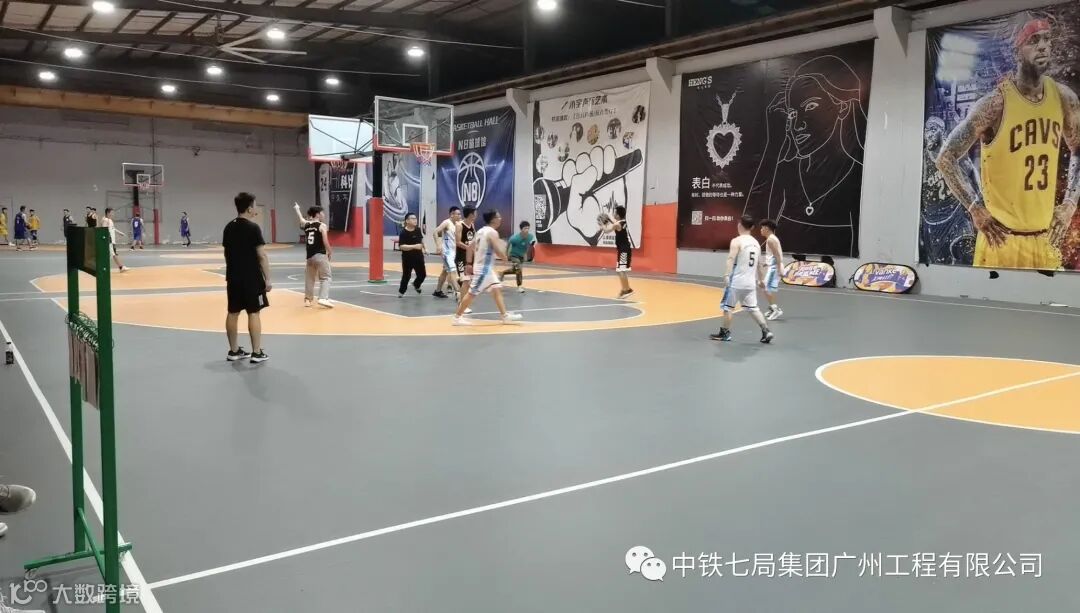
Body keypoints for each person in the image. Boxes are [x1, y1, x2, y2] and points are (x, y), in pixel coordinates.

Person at [936, 17, 1080, 270]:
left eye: (1047, 39)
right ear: (1017, 50)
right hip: (1002, 240)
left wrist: (1070, 203)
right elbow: (946, 157)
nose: (1043, 46)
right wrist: (975, 207)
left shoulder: (1064, 98)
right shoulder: (995, 104)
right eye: (1034, 40)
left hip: (1044, 239)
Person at [743, 55, 868, 257]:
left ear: (842, 107)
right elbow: (755, 226)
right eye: (792, 114)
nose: (797, 125)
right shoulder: (786, 170)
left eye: (810, 107)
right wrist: (773, 144)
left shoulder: (855, 175)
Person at [223, 193, 270, 363]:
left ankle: (234, 351)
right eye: (255, 206)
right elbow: (261, 255)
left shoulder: (228, 227)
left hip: (233, 277)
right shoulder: (253, 228)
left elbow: (226, 253)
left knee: (233, 312)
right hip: (251, 278)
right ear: (249, 209)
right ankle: (256, 352)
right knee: (254, 312)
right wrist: (268, 279)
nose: (256, 208)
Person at [712, 215, 774, 344]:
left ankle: (725, 333)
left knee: (728, 307)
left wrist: (726, 275)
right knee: (753, 308)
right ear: (752, 227)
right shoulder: (756, 243)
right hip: (750, 283)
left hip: (736, 282)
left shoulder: (737, 241)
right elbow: (759, 264)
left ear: (740, 225)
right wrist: (761, 280)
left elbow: (730, 258)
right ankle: (766, 330)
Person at [453, 210, 522, 326]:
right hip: (483, 269)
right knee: (472, 293)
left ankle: (505, 316)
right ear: (493, 219)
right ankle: (457, 317)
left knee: (496, 289)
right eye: (498, 217)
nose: (500, 219)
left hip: (485, 268)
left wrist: (469, 264)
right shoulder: (492, 233)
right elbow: (497, 250)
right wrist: (504, 257)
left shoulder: (480, 231)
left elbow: (469, 247)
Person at [294, 202, 333, 308]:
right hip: (320, 255)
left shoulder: (307, 225)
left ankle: (308, 300)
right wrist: (330, 251)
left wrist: (297, 209)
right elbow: (325, 241)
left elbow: (301, 219)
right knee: (326, 277)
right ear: (317, 214)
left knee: (309, 279)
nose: (324, 215)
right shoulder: (322, 225)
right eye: (322, 213)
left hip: (309, 257)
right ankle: (323, 298)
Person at [599, 206, 634, 298]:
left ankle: (627, 290)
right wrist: (608, 219)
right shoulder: (622, 222)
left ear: (618, 215)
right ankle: (625, 289)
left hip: (624, 250)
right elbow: (614, 222)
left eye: (615, 213)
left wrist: (602, 224)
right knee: (621, 270)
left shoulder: (618, 224)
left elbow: (607, 230)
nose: (614, 214)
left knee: (621, 270)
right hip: (624, 249)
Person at [432, 206, 463, 299]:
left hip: (455, 252)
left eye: (460, 214)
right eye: (458, 214)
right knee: (453, 271)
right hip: (447, 252)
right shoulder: (447, 222)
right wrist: (438, 245)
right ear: (452, 214)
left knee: (445, 271)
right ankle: (458, 293)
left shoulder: (459, 224)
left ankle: (438, 291)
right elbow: (435, 232)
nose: (460, 216)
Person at [759, 219, 785, 320]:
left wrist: (779, 269)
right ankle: (772, 308)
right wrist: (767, 262)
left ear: (767, 228)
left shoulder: (770, 239)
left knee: (766, 288)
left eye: (762, 228)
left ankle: (775, 310)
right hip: (773, 266)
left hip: (775, 268)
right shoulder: (771, 238)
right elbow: (774, 254)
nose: (761, 230)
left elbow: (777, 255)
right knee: (765, 288)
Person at [398, 213, 427, 298]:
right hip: (407, 258)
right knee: (406, 276)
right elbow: (402, 247)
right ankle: (401, 292)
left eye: (415, 218)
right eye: (413, 218)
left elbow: (421, 239)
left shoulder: (417, 229)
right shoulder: (403, 233)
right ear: (407, 221)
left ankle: (416, 284)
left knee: (422, 275)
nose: (415, 220)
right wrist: (414, 246)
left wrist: (425, 248)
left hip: (419, 257)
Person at [502, 221, 536, 293]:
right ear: (521, 229)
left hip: (521, 256)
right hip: (513, 255)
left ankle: (502, 273)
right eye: (525, 228)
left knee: (515, 270)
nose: (527, 230)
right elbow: (508, 245)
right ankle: (519, 286)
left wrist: (525, 254)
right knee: (519, 269)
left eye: (528, 228)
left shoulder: (530, 237)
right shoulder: (515, 238)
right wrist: (506, 255)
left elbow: (528, 245)